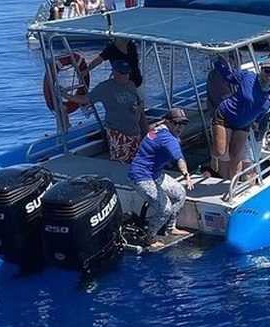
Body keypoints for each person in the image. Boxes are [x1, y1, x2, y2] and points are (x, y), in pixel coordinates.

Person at [128, 108, 195, 248]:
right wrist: (186, 174)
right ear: (169, 122)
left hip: (155, 173)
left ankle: (170, 227)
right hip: (141, 177)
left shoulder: (157, 130)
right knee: (164, 208)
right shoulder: (168, 139)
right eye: (176, 123)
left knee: (180, 193)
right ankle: (150, 238)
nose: (180, 127)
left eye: (183, 124)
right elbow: (179, 158)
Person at [210, 57, 270, 181]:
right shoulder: (248, 77)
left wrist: (256, 122)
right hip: (226, 115)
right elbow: (229, 76)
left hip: (244, 124)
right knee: (220, 152)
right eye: (267, 71)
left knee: (235, 155)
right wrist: (217, 60)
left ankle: (233, 185)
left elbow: (263, 110)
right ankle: (213, 157)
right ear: (261, 70)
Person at [61, 59, 143, 162]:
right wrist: (67, 96)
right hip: (118, 132)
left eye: (128, 73)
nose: (126, 76)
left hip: (134, 132)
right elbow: (85, 99)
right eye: (123, 73)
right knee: (120, 164)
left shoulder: (131, 85)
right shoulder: (104, 88)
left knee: (136, 162)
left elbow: (140, 103)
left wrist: (138, 110)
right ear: (115, 73)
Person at [87, 37, 148, 134]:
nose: (126, 39)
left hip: (136, 82)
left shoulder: (131, 45)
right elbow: (99, 60)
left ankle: (144, 134)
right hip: (121, 86)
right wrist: (86, 70)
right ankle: (127, 134)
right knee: (126, 111)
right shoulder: (111, 48)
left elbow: (135, 63)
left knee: (140, 112)